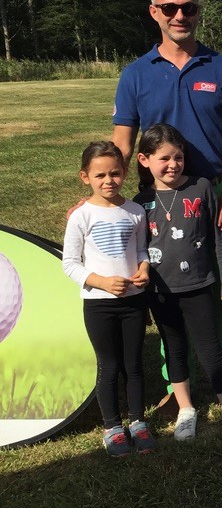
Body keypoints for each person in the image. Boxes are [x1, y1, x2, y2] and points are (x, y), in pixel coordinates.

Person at [112, 0, 222, 405]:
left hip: (215, 195)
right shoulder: (135, 74)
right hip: (157, 200)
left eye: (188, 8)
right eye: (170, 8)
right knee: (166, 291)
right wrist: (107, 196)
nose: (180, 15)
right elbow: (123, 142)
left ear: (197, 11)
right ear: (154, 12)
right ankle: (179, 383)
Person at [135, 124, 222, 452]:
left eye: (179, 157)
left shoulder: (201, 188)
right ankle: (186, 409)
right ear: (144, 160)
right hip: (160, 291)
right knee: (174, 350)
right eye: (164, 158)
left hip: (198, 286)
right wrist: (140, 297)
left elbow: (219, 238)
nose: (173, 164)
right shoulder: (140, 203)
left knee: (211, 351)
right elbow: (136, 253)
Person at [62, 141, 153, 456]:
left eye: (115, 173)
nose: (108, 180)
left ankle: (138, 422)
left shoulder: (135, 212)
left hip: (133, 301)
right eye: (100, 175)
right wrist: (101, 282)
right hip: (98, 304)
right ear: (85, 177)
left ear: (125, 172)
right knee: (109, 365)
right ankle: (113, 427)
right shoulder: (81, 216)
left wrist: (144, 269)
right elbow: (70, 264)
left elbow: (141, 250)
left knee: (134, 364)